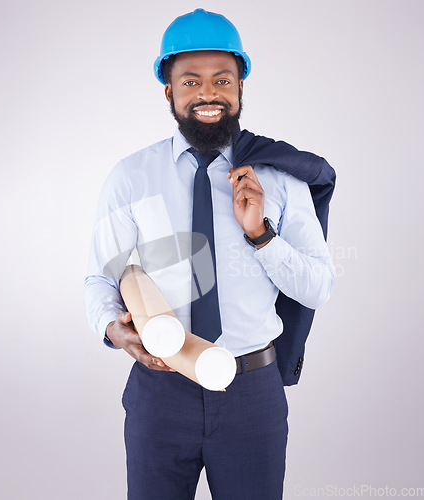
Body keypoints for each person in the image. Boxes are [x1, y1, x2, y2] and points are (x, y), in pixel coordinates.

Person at [84, 8, 335, 499]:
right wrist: (112, 329)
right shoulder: (132, 176)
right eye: (190, 81)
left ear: (241, 85)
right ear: (169, 91)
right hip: (160, 391)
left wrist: (261, 234)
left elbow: (318, 287)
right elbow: (101, 277)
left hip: (251, 392)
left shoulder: (279, 177)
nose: (207, 94)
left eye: (222, 79)